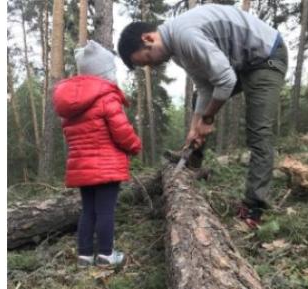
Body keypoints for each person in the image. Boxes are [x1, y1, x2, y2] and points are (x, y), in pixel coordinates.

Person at [117, 4, 288, 229]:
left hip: (266, 56)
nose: (151, 65)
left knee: (259, 132)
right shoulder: (176, 50)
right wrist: (194, 127)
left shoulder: (185, 36)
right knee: (200, 97)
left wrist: (207, 120)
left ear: (148, 38)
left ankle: (254, 206)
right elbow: (206, 87)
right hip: (240, 63)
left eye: (147, 59)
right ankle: (193, 158)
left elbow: (225, 80)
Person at [52, 40, 142, 267]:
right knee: (106, 211)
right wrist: (134, 146)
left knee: (88, 210)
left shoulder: (70, 103)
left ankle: (84, 255)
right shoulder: (106, 96)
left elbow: (71, 133)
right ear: (104, 73)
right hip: (107, 166)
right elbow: (121, 130)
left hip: (81, 166)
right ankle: (106, 254)